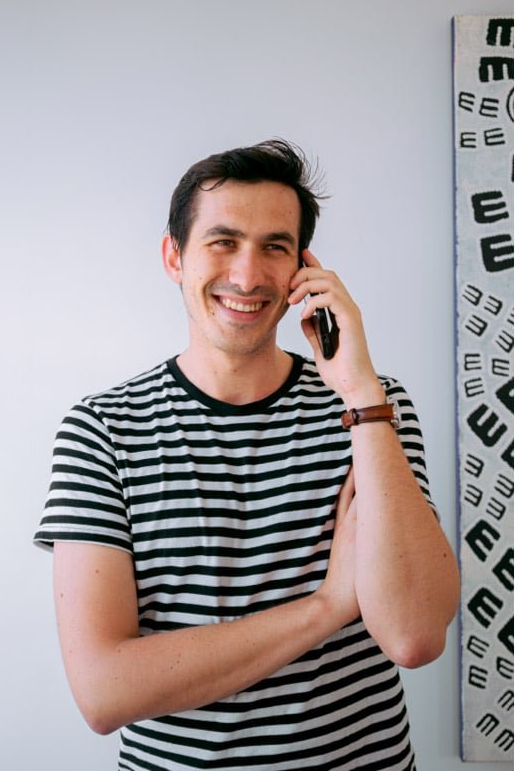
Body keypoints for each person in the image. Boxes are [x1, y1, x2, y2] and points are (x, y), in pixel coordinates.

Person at [34, 139, 460, 770]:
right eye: (223, 241)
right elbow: (104, 693)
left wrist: (363, 395)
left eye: (275, 247)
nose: (247, 275)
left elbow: (415, 636)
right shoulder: (101, 429)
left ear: (304, 270)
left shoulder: (373, 407)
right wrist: (328, 606)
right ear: (174, 256)